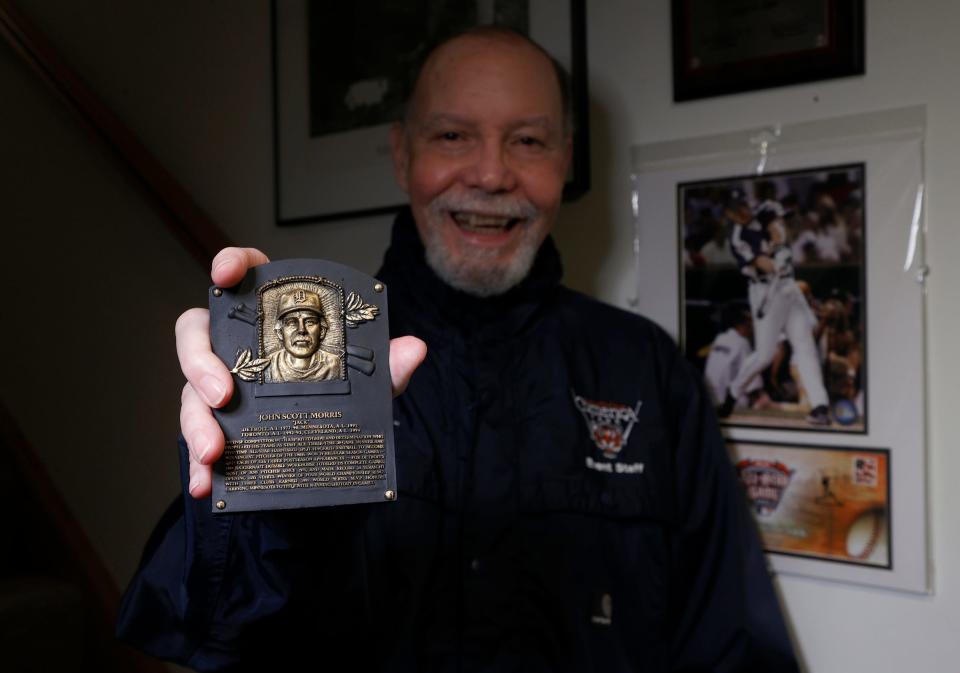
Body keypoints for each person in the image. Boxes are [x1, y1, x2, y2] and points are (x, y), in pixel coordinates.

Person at [117, 27, 799, 672]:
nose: (492, 173)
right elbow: (205, 628)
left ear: (565, 157)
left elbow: (734, 645)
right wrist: (240, 452)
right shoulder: (311, 353)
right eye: (452, 135)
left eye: (528, 141)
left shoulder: (648, 368)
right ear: (402, 153)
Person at [718, 190, 830, 426]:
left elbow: (778, 229)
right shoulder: (738, 238)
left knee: (804, 345)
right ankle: (733, 392)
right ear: (728, 213)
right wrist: (774, 261)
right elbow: (763, 264)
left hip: (788, 286)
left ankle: (820, 405)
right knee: (764, 355)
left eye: (742, 204)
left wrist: (779, 245)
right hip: (765, 292)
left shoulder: (764, 208)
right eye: (734, 208)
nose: (742, 211)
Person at [263, 288, 342, 382]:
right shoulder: (268, 365)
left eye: (310, 322)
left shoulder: (335, 364)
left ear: (322, 331)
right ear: (280, 332)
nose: (301, 330)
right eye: (292, 323)